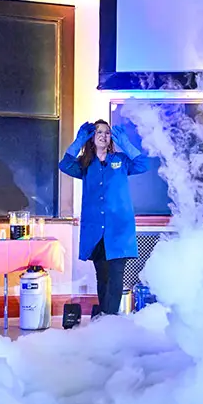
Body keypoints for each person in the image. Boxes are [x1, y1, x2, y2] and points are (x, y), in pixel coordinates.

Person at [59, 119, 150, 317]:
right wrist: (79, 140)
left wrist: (125, 142)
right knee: (103, 276)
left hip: (119, 230)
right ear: (92, 137)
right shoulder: (85, 164)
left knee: (116, 276)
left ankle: (109, 320)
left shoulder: (120, 160)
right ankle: (106, 320)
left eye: (107, 132)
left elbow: (143, 164)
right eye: (98, 132)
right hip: (96, 232)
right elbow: (65, 164)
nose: (103, 135)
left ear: (111, 138)